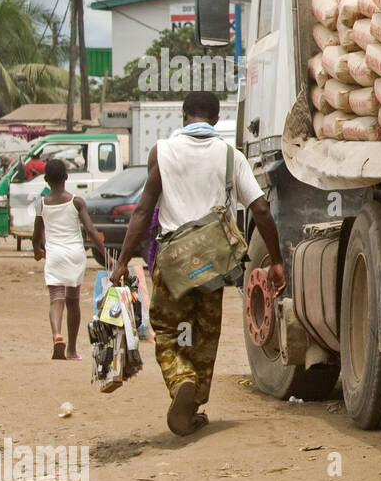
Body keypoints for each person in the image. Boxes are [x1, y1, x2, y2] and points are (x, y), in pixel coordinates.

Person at [109, 91, 286, 437]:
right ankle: (192, 406)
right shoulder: (230, 156)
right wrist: (277, 262)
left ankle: (180, 381)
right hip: (213, 262)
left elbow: (144, 212)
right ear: (217, 120)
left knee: (166, 329)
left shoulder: (162, 152)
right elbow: (261, 209)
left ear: (183, 115)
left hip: (173, 259)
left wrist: (121, 263)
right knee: (204, 335)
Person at [32, 159, 106, 360]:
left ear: (46, 180)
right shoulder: (76, 201)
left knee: (56, 298)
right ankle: (72, 349)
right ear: (66, 177)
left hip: (54, 255)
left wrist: (38, 251)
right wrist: (107, 256)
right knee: (73, 301)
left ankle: (57, 335)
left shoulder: (41, 204)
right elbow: (90, 229)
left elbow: (37, 234)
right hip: (75, 254)